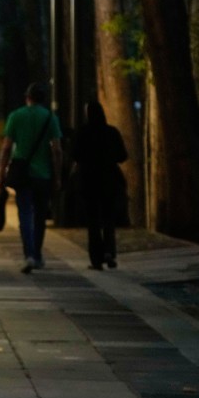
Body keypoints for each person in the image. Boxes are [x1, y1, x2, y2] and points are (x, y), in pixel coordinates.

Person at [0, 83, 63, 274]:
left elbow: (6, 147)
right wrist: (57, 176)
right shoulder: (50, 118)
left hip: (22, 173)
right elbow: (56, 150)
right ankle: (38, 254)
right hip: (43, 175)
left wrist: (1, 169)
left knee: (25, 214)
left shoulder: (16, 116)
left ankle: (29, 255)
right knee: (40, 216)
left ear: (27, 97)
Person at [72, 99, 128, 270]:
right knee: (109, 219)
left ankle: (96, 258)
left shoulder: (82, 133)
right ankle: (110, 252)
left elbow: (75, 155)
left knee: (93, 221)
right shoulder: (111, 132)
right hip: (109, 179)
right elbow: (122, 155)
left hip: (89, 180)